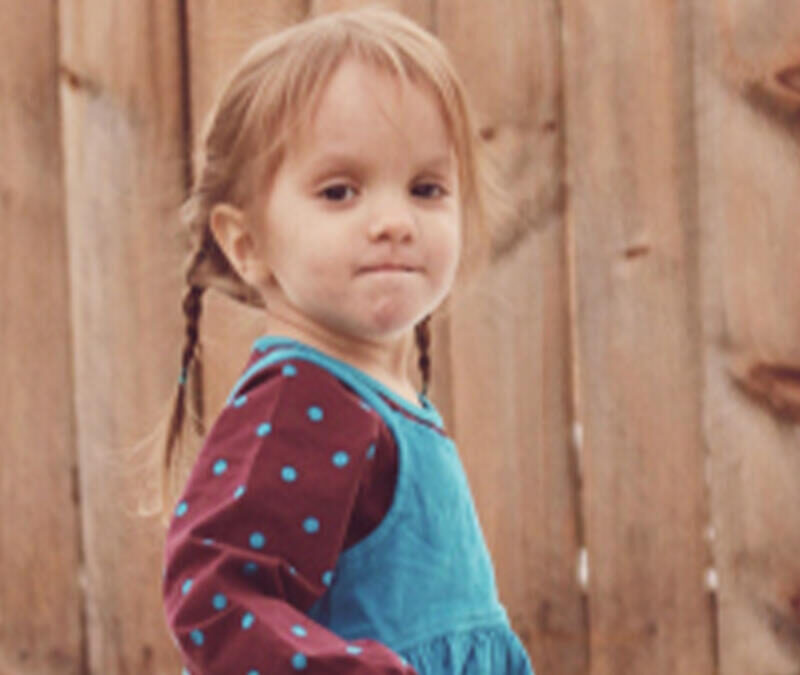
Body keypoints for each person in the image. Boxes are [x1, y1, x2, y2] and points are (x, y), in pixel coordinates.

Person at [159, 5, 534, 674]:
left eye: (425, 188)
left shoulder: (375, 400)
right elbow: (213, 591)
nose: (393, 221)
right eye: (339, 191)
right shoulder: (302, 402)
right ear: (246, 243)